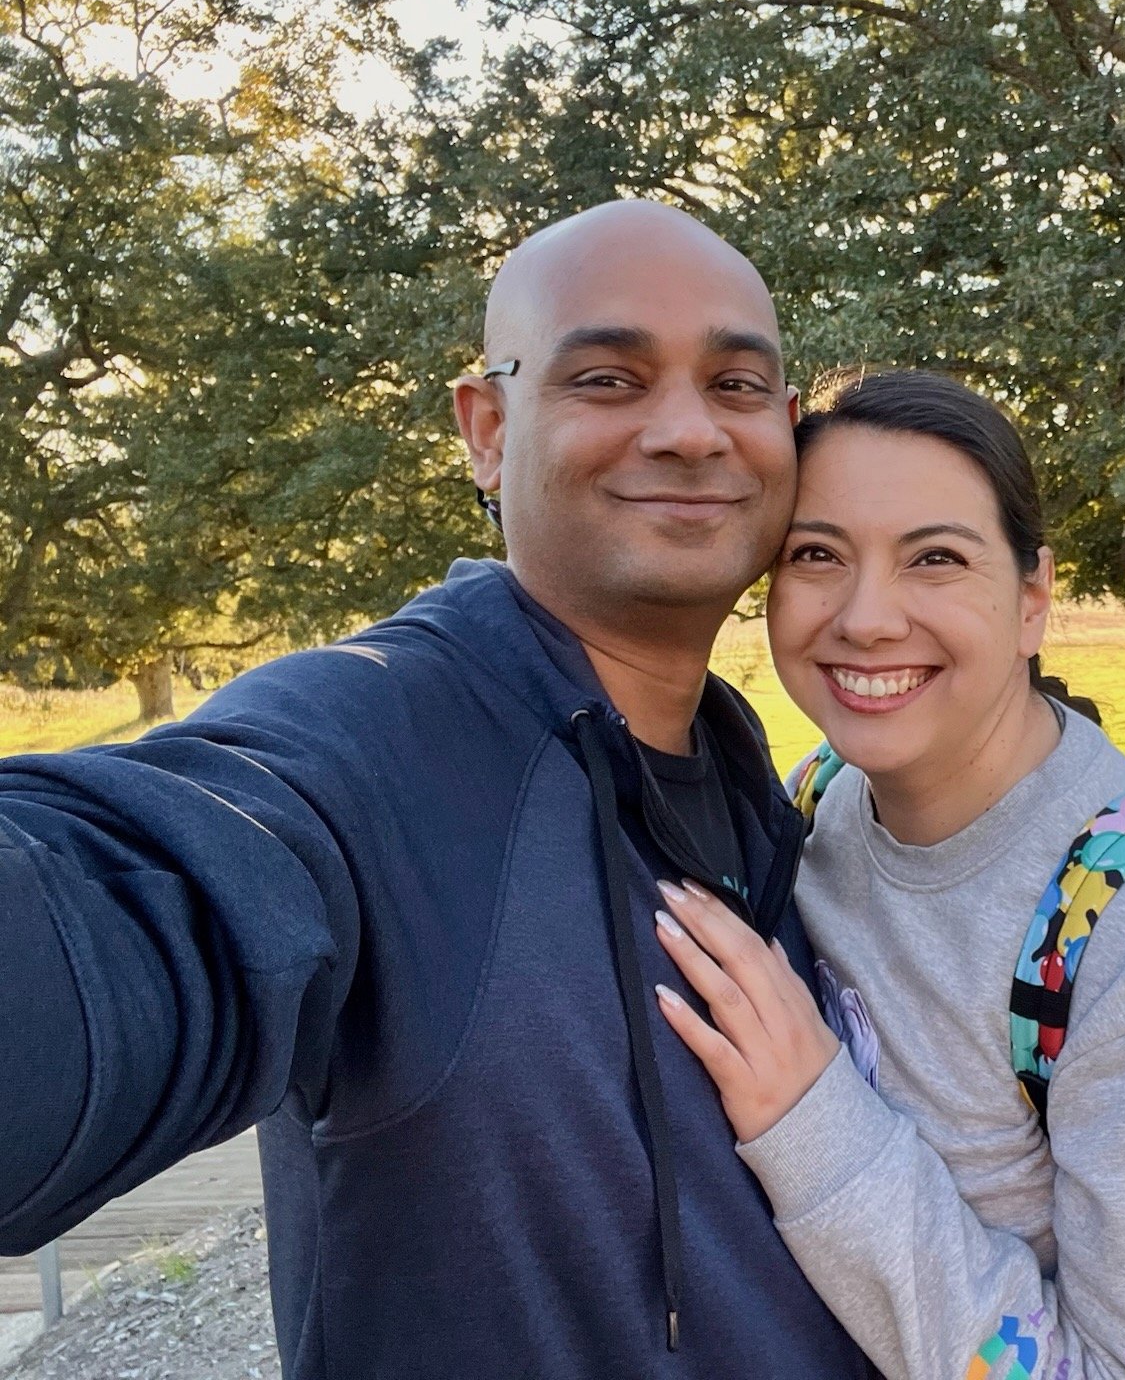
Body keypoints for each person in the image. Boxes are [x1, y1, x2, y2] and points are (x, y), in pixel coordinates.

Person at [0, 200, 872, 1379]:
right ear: (485, 428)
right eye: (609, 379)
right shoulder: (369, 742)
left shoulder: (759, 785)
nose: (687, 431)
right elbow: (139, 901)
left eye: (736, 383)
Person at [647, 371, 1125, 1379]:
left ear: (1030, 601)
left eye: (934, 558)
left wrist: (813, 1120)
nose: (866, 618)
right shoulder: (819, 796)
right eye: (815, 554)